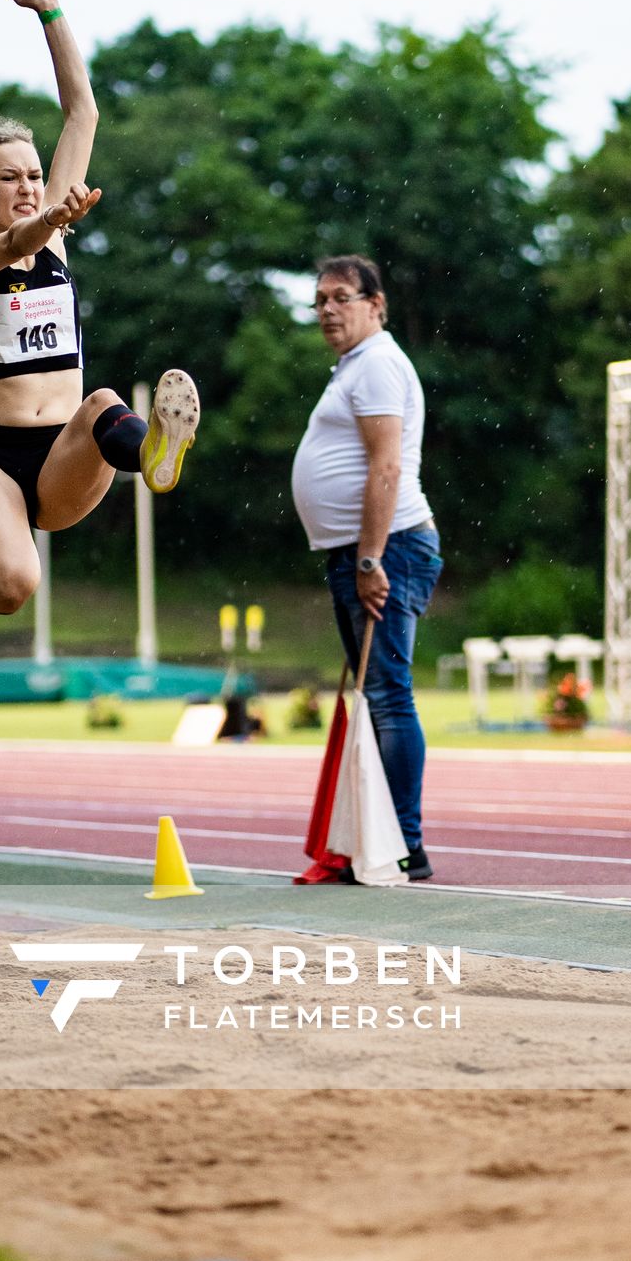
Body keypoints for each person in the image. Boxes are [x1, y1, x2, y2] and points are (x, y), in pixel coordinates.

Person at [0, 0, 200, 627]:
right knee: (17, 586)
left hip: (67, 458)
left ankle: (152, 454)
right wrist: (51, 219)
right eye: (9, 178)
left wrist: (50, 14)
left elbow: (83, 111)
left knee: (103, 400)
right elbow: (9, 247)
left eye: (33, 175)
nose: (27, 186)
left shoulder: (50, 232)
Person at [291, 256, 442, 880]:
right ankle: (382, 841)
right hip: (363, 551)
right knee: (377, 697)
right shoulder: (355, 366)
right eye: (319, 300)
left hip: (386, 550)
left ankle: (405, 845)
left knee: (386, 696)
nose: (328, 309)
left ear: (376, 304)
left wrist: (371, 558)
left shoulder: (377, 362)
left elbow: (386, 468)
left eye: (342, 297)